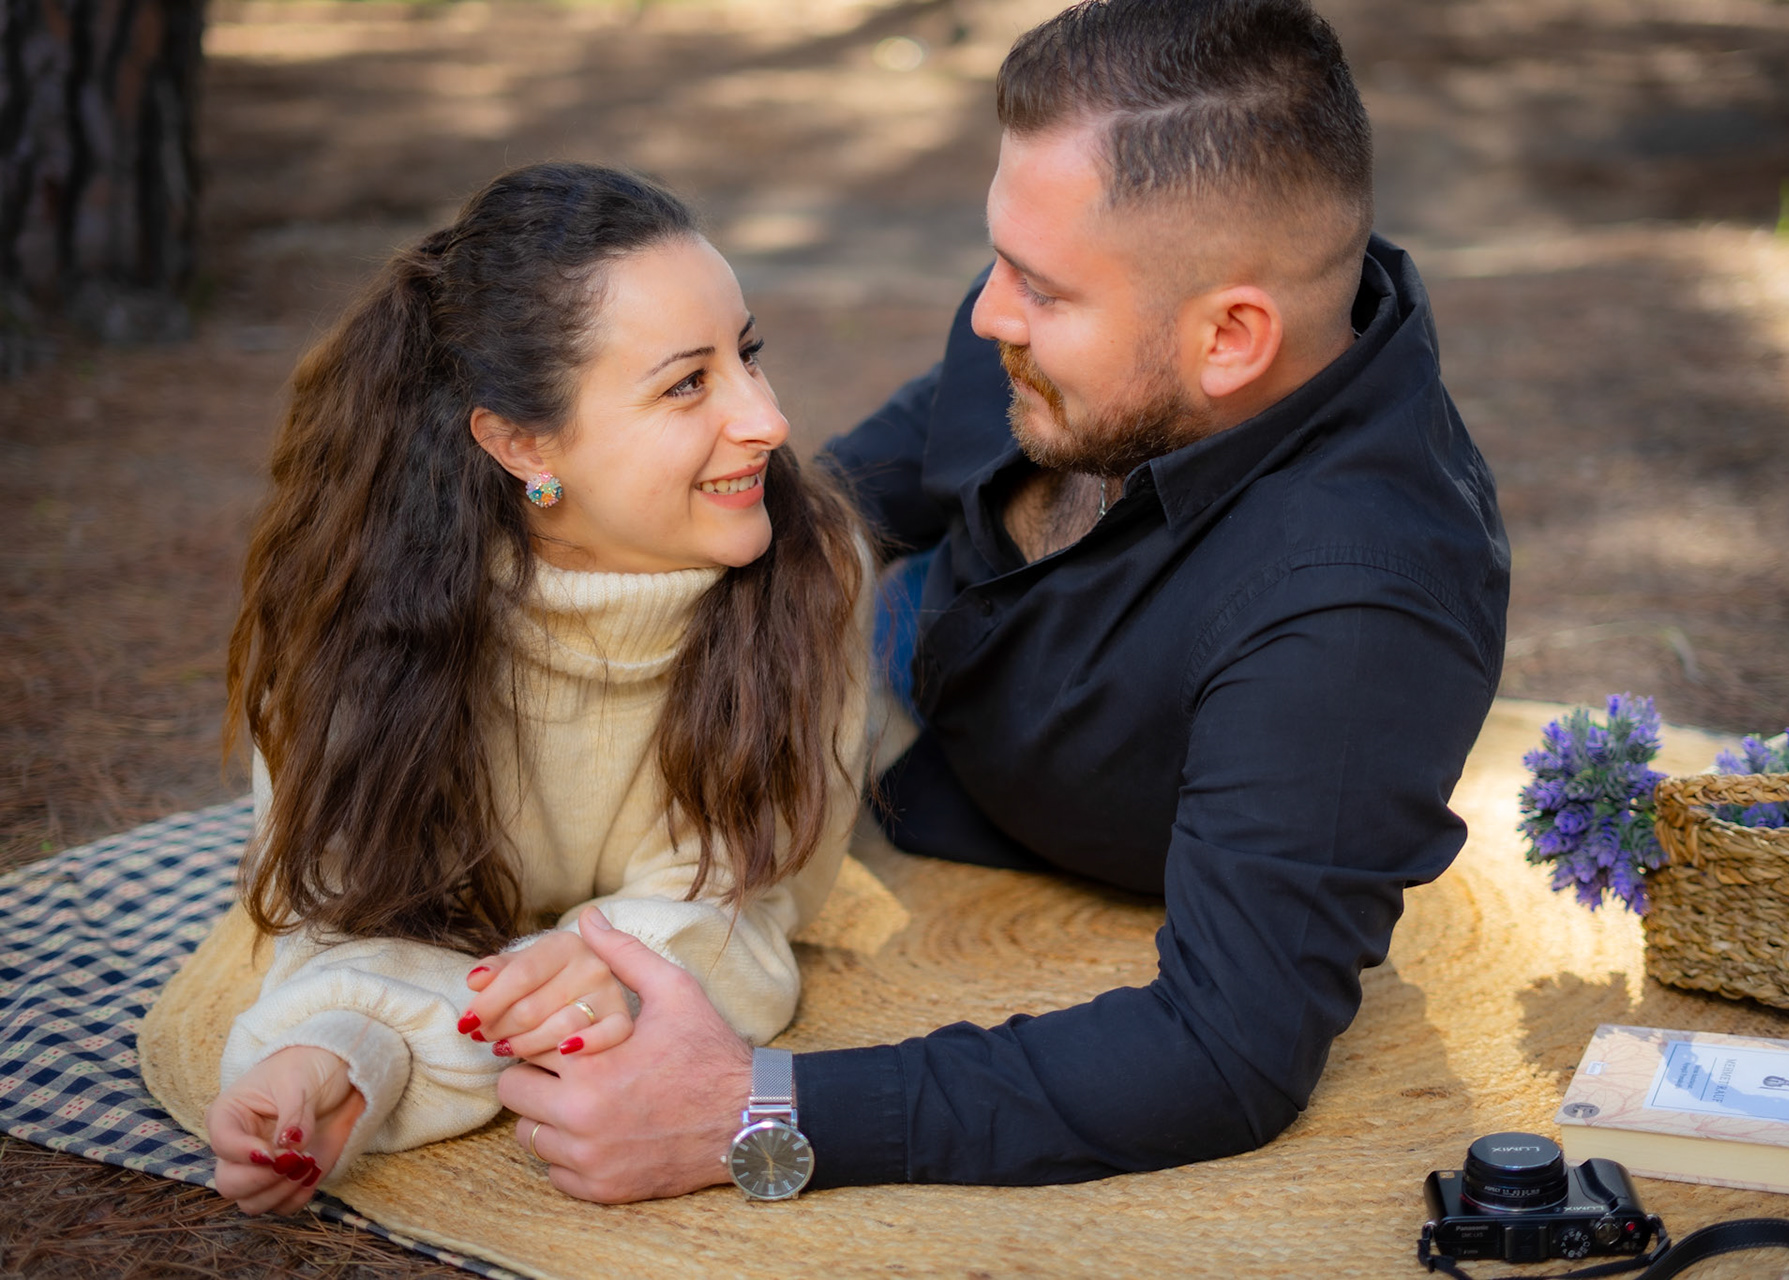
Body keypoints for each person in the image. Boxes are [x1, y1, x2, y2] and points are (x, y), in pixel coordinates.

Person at [499, 0, 1509, 1198]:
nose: (987, 314)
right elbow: (835, 510)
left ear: (1232, 336)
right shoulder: (1090, 324)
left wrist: (753, 1105)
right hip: (875, 660)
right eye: (999, 257)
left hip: (943, 788)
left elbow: (1226, 1050)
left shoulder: (1358, 611)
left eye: (1039, 286)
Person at [201, 162, 870, 1214]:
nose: (769, 419)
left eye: (747, 355)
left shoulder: (809, 576)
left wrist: (603, 964)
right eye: (688, 383)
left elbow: (747, 916)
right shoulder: (348, 616)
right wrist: (345, 1051)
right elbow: (339, 908)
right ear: (522, 444)